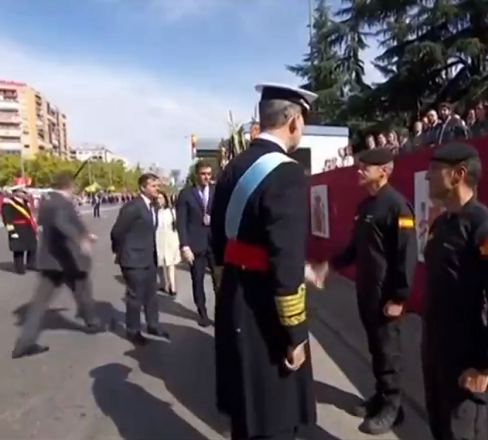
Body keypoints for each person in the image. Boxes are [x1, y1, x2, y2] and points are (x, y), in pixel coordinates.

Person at [210, 83, 322, 440]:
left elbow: (219, 243)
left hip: (234, 297)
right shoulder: (286, 174)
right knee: (274, 419)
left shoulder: (232, 168)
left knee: (246, 416)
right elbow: (285, 261)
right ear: (292, 121)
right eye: (302, 120)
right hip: (266, 314)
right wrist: (295, 335)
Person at [421, 142, 488, 440]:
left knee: (462, 432)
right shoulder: (441, 224)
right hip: (435, 351)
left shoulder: (487, 229)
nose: (427, 177)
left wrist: (483, 365)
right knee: (439, 428)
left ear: (458, 174)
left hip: (466, 359)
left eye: (435, 170)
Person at [316, 147, 418, 434]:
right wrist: (329, 266)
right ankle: (381, 396)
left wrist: (399, 297)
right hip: (367, 292)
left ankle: (392, 408)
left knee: (389, 351)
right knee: (376, 349)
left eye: (365, 167)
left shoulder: (397, 207)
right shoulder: (365, 207)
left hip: (387, 296)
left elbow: (406, 255)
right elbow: (354, 249)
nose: (359, 170)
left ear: (383, 171)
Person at [12, 171, 105, 359]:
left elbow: (52, 224)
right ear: (70, 186)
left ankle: (24, 343)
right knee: (83, 290)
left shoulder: (46, 201)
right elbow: (63, 223)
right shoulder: (62, 203)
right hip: (69, 259)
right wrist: (80, 239)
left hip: (50, 260)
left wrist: (85, 234)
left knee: (39, 303)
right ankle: (93, 323)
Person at [110, 173, 169, 346]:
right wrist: (122, 251)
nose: (157, 189)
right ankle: (133, 330)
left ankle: (153, 324)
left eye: (158, 186)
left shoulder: (152, 206)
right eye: (153, 186)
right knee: (135, 297)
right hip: (133, 259)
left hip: (149, 258)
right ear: (143, 188)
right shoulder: (133, 207)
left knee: (151, 295)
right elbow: (117, 232)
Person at [176, 160, 216, 326]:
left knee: (219, 281)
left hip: (214, 244)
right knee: (197, 280)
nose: (206, 177)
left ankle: (221, 314)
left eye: (208, 174)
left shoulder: (216, 191)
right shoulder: (186, 194)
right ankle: (203, 313)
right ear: (196, 174)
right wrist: (185, 245)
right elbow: (181, 222)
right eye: (203, 174)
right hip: (195, 245)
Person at [1, 185, 38, 274]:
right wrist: (11, 231)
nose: (25, 194)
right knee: (19, 249)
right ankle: (19, 268)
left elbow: (30, 216)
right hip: (17, 228)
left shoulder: (25, 203)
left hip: (28, 228)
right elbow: (7, 219)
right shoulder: (8, 204)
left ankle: (31, 264)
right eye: (23, 192)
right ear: (16, 193)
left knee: (33, 247)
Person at [155, 191, 181, 297]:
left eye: (161, 198)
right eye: (157, 198)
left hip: (171, 239)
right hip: (159, 239)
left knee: (170, 264)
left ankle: (173, 287)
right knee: (160, 264)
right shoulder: (154, 211)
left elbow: (177, 226)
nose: (159, 200)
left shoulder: (172, 211)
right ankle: (163, 284)